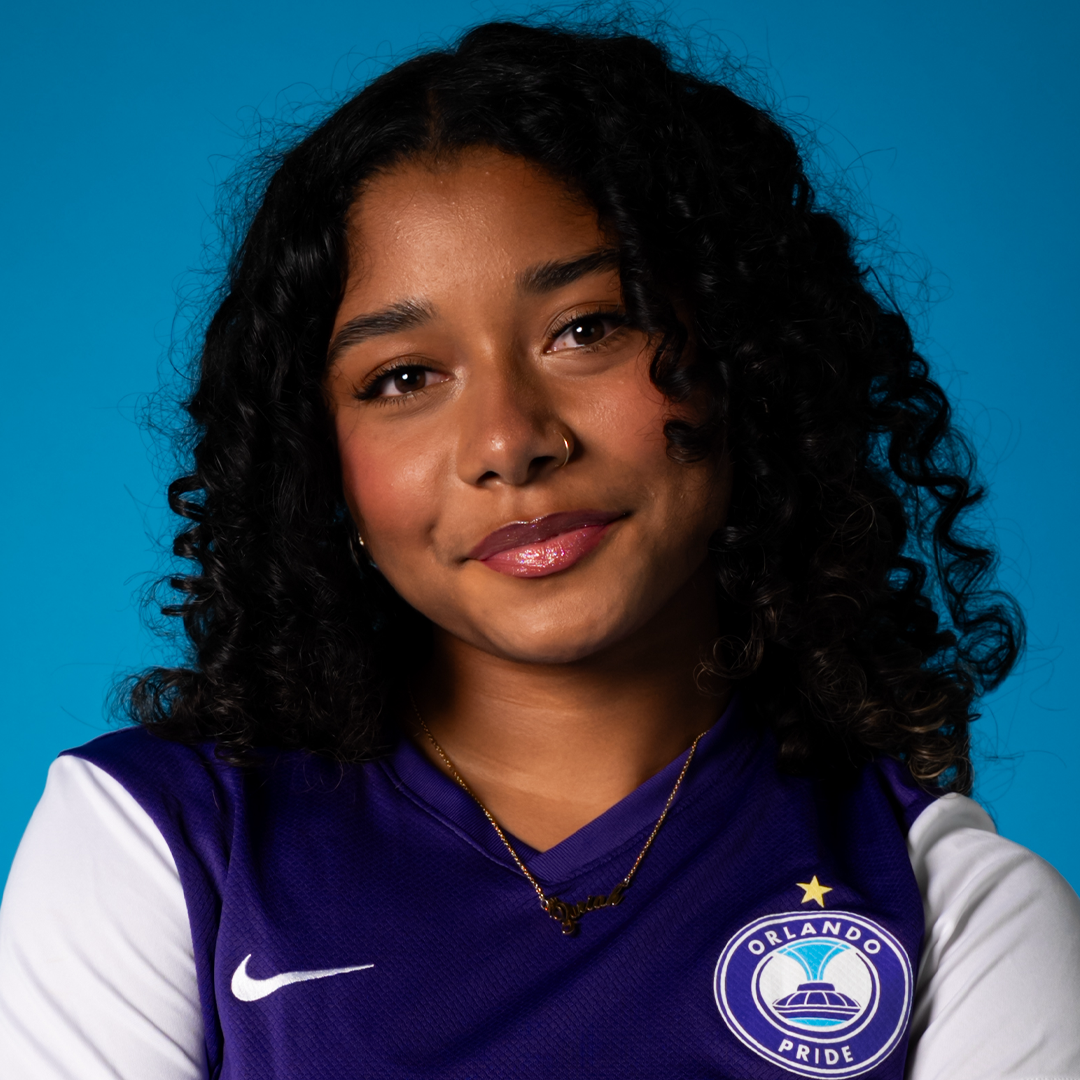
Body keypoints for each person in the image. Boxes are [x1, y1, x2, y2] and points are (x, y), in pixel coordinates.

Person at [1, 16, 1078, 1080]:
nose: (509, 442)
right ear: (318, 464)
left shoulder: (954, 910)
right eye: (404, 378)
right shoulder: (158, 842)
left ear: (743, 357)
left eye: (586, 329)